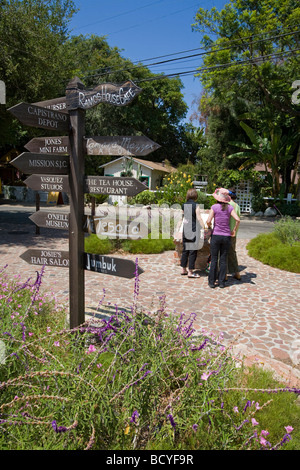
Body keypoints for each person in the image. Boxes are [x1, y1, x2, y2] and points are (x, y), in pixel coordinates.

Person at [206, 188, 240, 288]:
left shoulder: (214, 207)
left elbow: (208, 220)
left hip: (216, 235)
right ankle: (221, 282)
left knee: (214, 258)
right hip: (226, 236)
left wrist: (210, 227)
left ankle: (212, 282)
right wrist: (233, 230)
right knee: (223, 259)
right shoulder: (230, 208)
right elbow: (237, 219)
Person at [180, 188, 205, 278]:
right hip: (193, 229)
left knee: (185, 250)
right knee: (192, 251)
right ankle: (190, 272)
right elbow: (199, 218)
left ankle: (183, 269)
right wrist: (204, 227)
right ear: (195, 195)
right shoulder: (196, 205)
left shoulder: (183, 205)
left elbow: (183, 217)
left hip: (185, 229)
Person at [227, 190, 241, 280]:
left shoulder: (226, 205)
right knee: (232, 252)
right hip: (233, 233)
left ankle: (224, 274)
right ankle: (237, 272)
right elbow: (238, 219)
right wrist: (235, 230)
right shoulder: (237, 206)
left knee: (223, 253)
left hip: (225, 232)